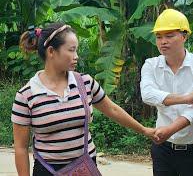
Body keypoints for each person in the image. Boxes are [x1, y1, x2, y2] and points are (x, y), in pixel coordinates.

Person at [12, 23, 157, 176]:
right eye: (71, 50)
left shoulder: (85, 83)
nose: (76, 56)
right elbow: (21, 148)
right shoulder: (26, 95)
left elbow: (113, 109)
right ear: (51, 51)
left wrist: (144, 130)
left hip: (84, 168)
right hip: (48, 170)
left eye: (76, 50)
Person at [140, 9, 193, 176]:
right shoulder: (151, 65)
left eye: (169, 35)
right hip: (163, 150)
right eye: (159, 37)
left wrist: (169, 130)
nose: (163, 41)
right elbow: (147, 95)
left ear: (184, 36)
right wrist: (187, 97)